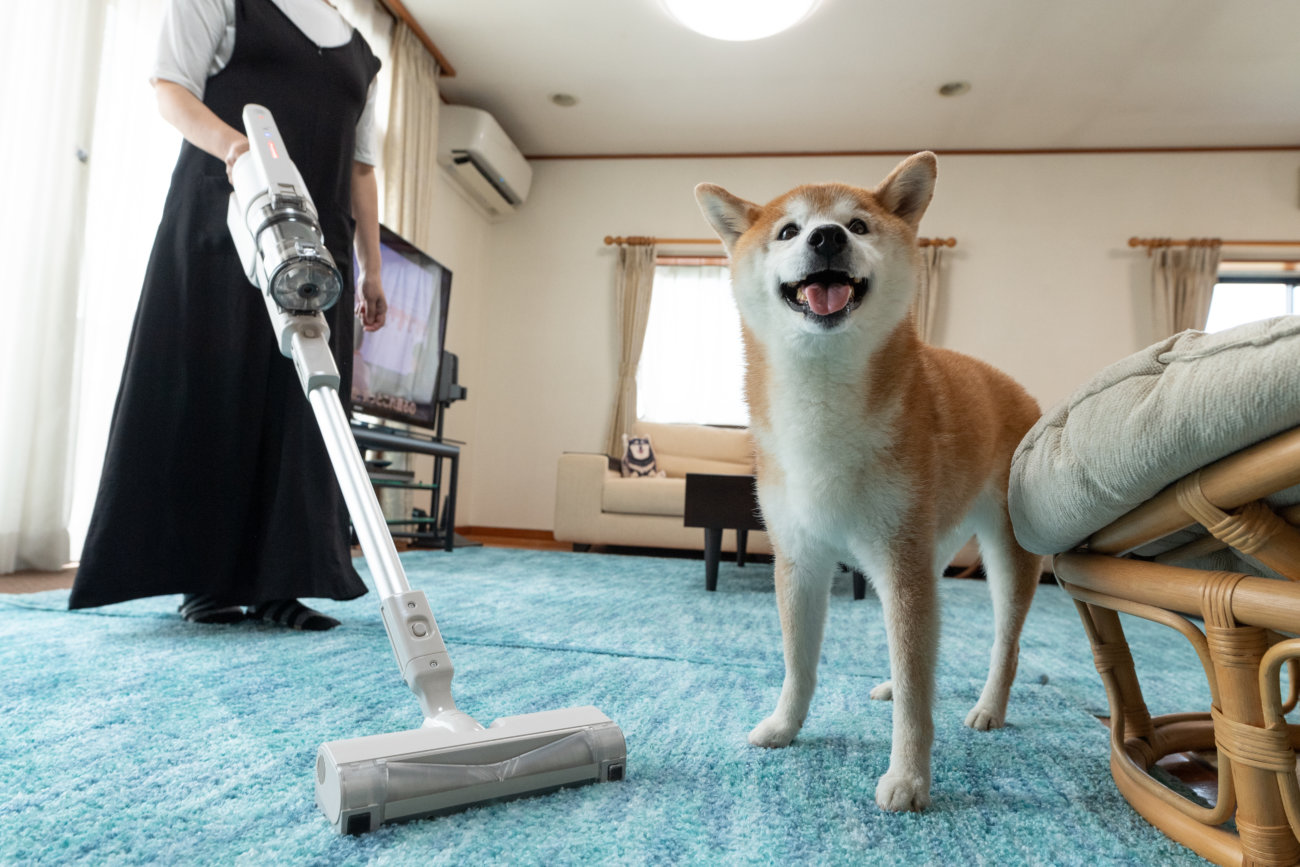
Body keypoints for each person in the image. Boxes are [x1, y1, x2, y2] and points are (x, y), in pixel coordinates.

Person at [69, 0, 388, 631]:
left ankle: (282, 583)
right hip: (224, 218)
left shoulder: (361, 49)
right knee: (214, 389)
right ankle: (204, 579)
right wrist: (238, 150)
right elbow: (170, 88)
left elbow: (360, 165)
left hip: (314, 243)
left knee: (299, 403)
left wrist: (372, 266)